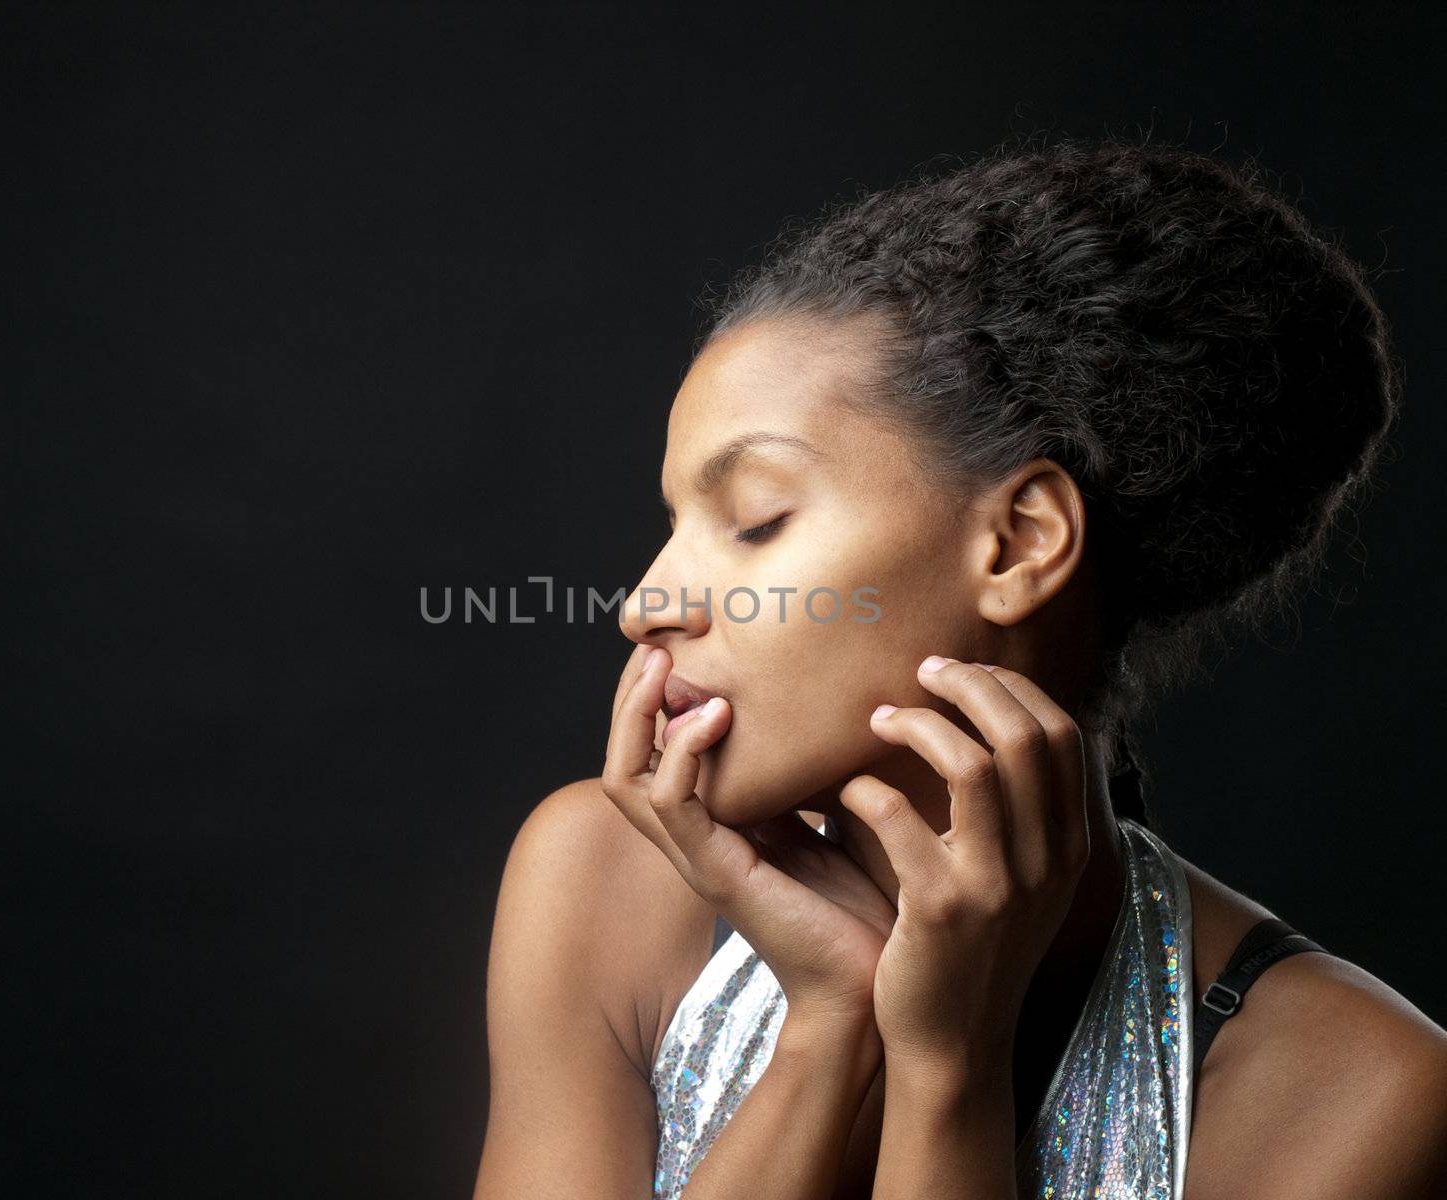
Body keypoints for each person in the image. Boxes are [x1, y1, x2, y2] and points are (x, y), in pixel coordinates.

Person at [472, 135, 1447, 1199]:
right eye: (675, 522)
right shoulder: (605, 882)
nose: (645, 604)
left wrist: (949, 1062)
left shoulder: (1354, 1085)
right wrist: (828, 1023)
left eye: (754, 520)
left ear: (1020, 541)